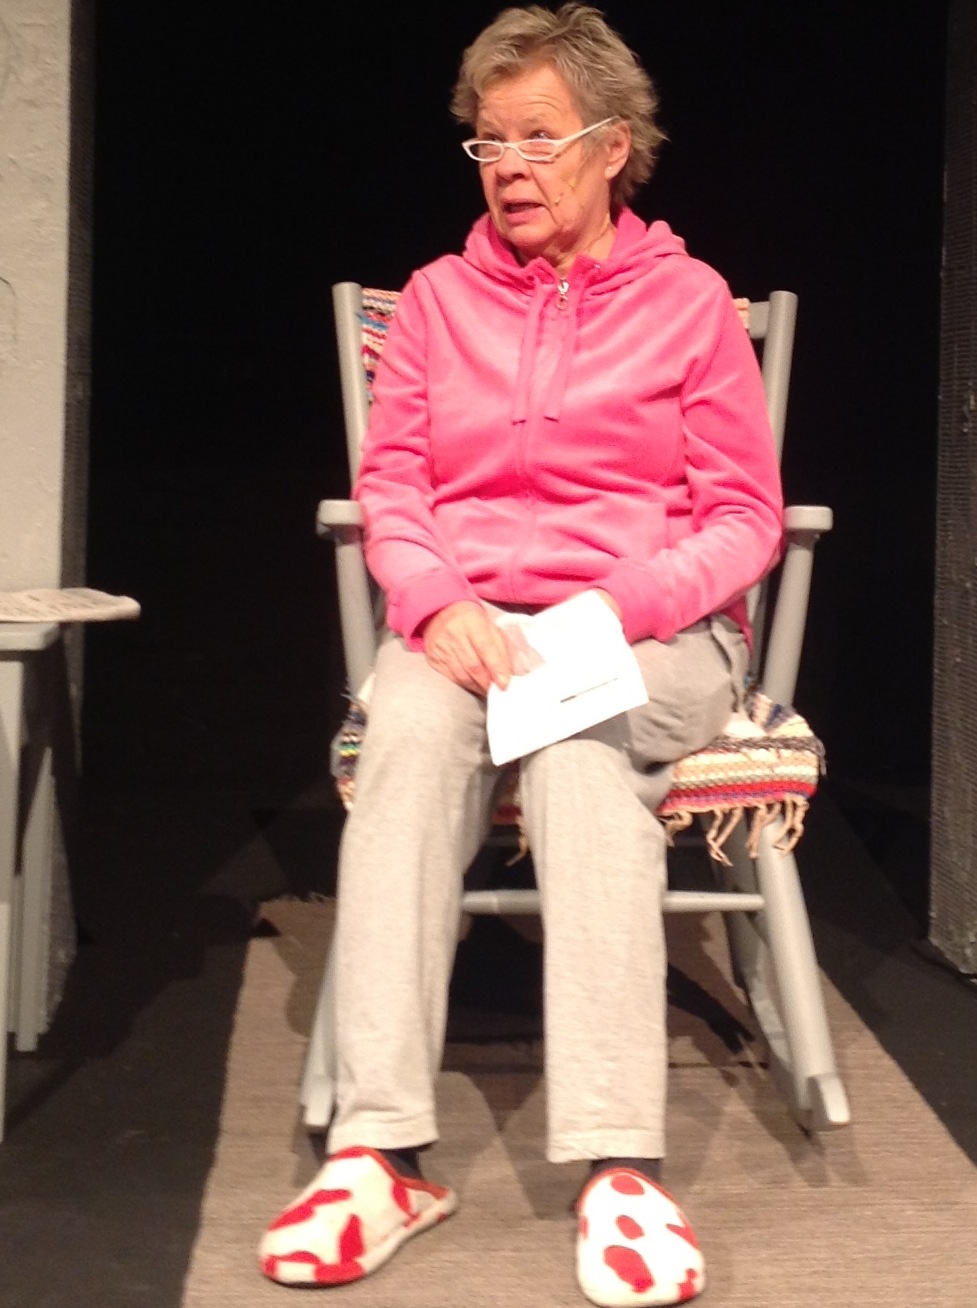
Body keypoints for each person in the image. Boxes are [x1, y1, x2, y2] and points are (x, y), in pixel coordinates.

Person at [259, 5, 783, 1305]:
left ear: (613, 147)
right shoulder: (438, 303)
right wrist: (436, 602)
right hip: (472, 627)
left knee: (571, 734)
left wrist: (617, 605)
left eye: (538, 138)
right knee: (415, 730)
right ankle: (381, 1153)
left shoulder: (687, 305)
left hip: (652, 637)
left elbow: (743, 519)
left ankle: (614, 1165)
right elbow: (392, 487)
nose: (508, 167)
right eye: (487, 142)